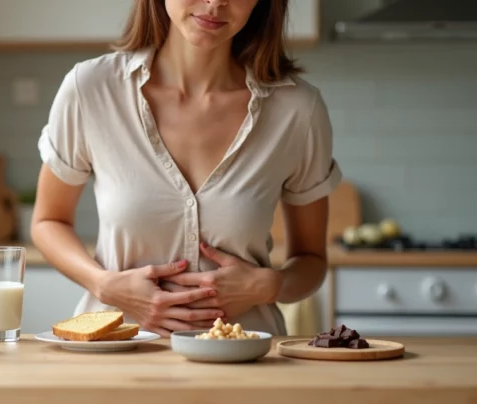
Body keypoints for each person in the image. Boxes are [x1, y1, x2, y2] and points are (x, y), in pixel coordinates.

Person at [31, 0, 341, 337]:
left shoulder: (298, 110)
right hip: (116, 359)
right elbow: (49, 222)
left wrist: (268, 285)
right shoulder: (91, 88)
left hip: (245, 364)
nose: (215, 2)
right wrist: (105, 285)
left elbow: (311, 260)